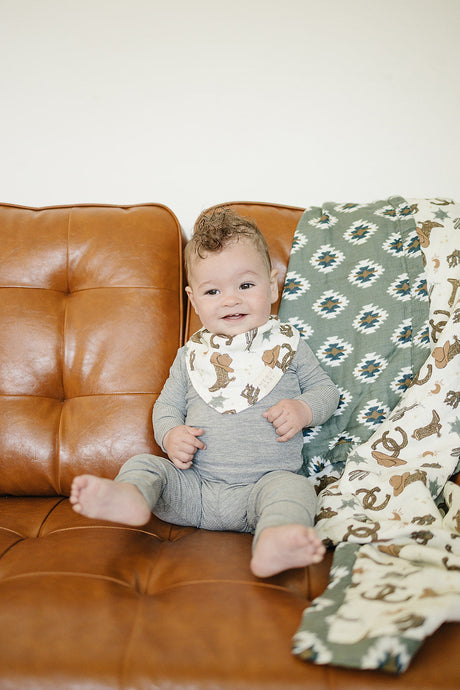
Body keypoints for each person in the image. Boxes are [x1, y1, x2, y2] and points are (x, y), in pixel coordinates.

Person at [70, 207, 340, 577]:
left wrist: (303, 409)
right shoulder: (190, 356)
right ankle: (131, 497)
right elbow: (166, 406)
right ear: (194, 301)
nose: (230, 300)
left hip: (262, 490)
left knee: (296, 491)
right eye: (213, 291)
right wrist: (170, 435)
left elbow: (326, 391)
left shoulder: (289, 346)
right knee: (145, 465)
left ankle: (274, 541)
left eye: (246, 286)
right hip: (194, 489)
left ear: (273, 285)